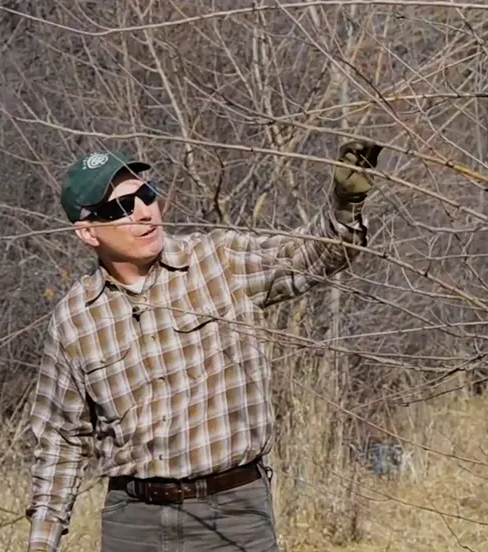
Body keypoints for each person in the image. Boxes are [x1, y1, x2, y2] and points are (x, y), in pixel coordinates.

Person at [24, 141, 383, 552]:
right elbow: (61, 440)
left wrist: (344, 203)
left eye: (146, 194)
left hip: (233, 513)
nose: (144, 211)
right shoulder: (75, 319)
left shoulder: (218, 262)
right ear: (88, 232)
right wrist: (42, 542)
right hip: (134, 522)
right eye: (119, 208)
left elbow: (312, 255)